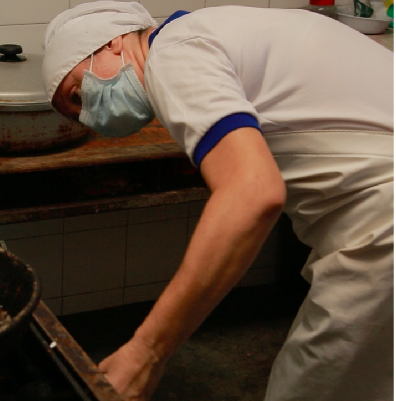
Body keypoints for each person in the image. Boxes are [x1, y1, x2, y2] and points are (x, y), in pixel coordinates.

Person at [41, 2, 394, 401]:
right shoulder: (214, 31)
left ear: (112, 43)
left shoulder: (174, 53)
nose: (87, 115)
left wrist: (146, 353)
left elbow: (253, 192)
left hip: (383, 231)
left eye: (77, 94)